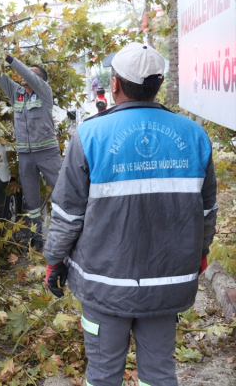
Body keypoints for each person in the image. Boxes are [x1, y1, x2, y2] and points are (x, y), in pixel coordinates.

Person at [44, 42, 217, 386]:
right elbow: (207, 211)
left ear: (116, 85)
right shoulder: (195, 136)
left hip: (104, 287)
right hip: (167, 286)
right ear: (158, 84)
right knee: (159, 373)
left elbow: (67, 213)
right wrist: (200, 254)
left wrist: (53, 260)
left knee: (104, 374)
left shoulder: (90, 134)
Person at [0, 17, 62, 251]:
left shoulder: (44, 92)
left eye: (31, 73)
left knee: (62, 191)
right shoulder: (17, 94)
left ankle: (71, 230)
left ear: (39, 80)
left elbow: (26, 74)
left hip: (48, 154)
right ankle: (35, 236)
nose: (25, 76)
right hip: (26, 156)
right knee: (30, 201)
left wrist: (6, 55)